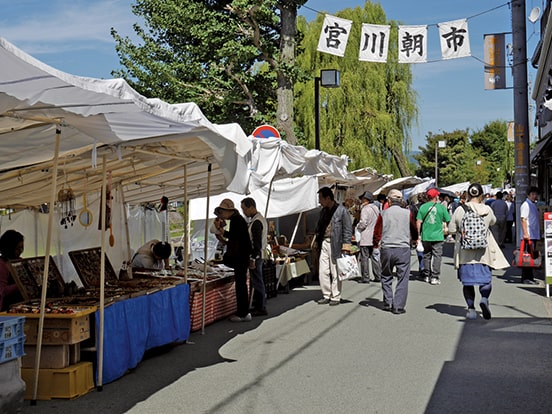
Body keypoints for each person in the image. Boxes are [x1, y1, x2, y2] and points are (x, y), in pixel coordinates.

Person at [448, 183, 509, 320]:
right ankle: (484, 298)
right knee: (485, 281)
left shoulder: (460, 210)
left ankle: (471, 309)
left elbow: (451, 229)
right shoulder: (487, 209)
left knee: (467, 283)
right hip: (484, 252)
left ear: (468, 195)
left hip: (465, 253)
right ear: (481, 195)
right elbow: (493, 222)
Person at [373, 189, 418, 315]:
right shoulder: (407, 213)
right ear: (401, 200)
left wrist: (375, 244)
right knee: (402, 277)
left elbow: (377, 231)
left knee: (386, 275)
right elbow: (413, 228)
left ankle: (388, 302)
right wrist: (414, 239)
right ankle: (398, 306)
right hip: (403, 247)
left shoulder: (383, 213)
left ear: (389, 200)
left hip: (387, 248)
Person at [214, 198, 253, 321]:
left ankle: (242, 313)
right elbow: (234, 237)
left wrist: (222, 232)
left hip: (240, 257)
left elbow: (235, 238)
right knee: (241, 285)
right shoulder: (237, 220)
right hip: (242, 256)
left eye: (222, 212)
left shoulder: (237, 221)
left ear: (228, 211)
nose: (222, 215)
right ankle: (244, 312)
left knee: (240, 286)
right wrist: (223, 233)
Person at [314, 187, 352, 306]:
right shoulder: (323, 211)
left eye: (321, 198)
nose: (319, 201)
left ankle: (335, 296)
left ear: (328, 198)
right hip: (324, 242)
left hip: (336, 243)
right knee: (323, 270)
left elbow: (347, 229)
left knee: (335, 271)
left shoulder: (342, 210)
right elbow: (319, 227)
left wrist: (346, 246)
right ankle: (326, 294)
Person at [416, 188, 451, 285]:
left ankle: (427, 275)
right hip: (438, 236)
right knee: (437, 256)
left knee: (426, 255)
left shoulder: (423, 207)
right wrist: (449, 230)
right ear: (436, 196)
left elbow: (418, 222)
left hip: (426, 235)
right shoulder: (441, 207)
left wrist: (418, 234)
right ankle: (435, 276)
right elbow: (448, 219)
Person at [241, 197, 268, 317]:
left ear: (251, 207)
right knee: (257, 281)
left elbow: (256, 243)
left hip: (256, 256)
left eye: (244, 209)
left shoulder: (257, 222)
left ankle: (261, 306)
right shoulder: (257, 220)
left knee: (257, 281)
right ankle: (259, 305)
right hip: (257, 255)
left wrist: (253, 258)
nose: (244, 212)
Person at [356, 191, 381, 283]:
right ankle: (378, 275)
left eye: (363, 199)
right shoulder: (376, 208)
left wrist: (358, 227)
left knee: (364, 258)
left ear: (366, 199)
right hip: (374, 237)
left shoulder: (365, 209)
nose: (362, 200)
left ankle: (365, 277)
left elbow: (363, 223)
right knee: (375, 257)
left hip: (366, 237)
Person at [519, 187, 541, 285]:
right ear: (528, 195)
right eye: (532, 194)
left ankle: (529, 277)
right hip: (528, 235)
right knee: (527, 257)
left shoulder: (532, 204)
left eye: (535, 194)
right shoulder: (526, 205)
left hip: (533, 234)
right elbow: (523, 219)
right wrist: (525, 233)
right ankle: (526, 278)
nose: (534, 196)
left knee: (530, 256)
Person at [0, 230, 25, 311]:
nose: (21, 251)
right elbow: (2, 291)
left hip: (20, 306)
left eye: (22, 248)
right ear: (9, 248)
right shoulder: (2, 264)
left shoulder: (20, 261)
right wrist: (20, 284)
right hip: (7, 309)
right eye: (18, 248)